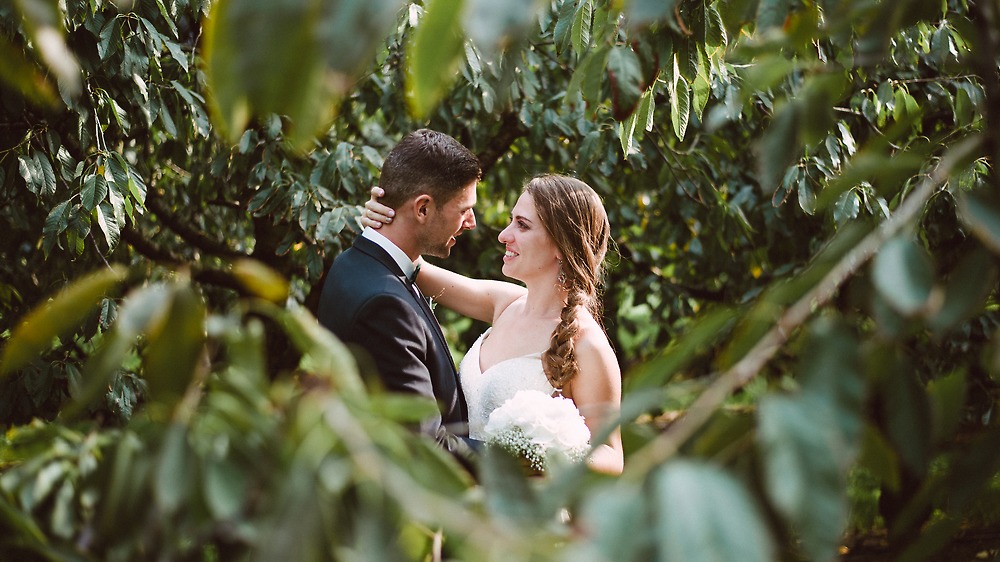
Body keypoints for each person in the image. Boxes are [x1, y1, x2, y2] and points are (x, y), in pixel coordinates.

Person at [364, 174, 624, 475]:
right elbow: (412, 266)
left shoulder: (587, 345)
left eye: (522, 225)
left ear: (561, 245)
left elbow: (611, 457)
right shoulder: (506, 303)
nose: (503, 235)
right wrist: (385, 221)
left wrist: (548, 452)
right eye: (511, 220)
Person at [317, 129, 482, 453]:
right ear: (422, 209)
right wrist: (518, 460)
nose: (471, 222)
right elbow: (423, 443)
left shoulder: (354, 263)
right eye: (464, 209)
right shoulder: (386, 305)